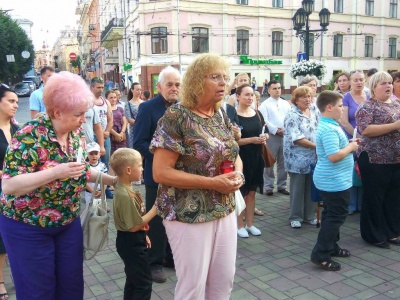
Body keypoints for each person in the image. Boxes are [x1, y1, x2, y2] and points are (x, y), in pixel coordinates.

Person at [0, 72, 119, 299]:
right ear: (56, 112)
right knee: (39, 291)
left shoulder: (75, 134)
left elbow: (81, 170)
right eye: (78, 114)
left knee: (71, 286)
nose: (83, 120)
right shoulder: (28, 136)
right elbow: (9, 186)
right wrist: (55, 172)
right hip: (28, 225)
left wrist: (114, 181)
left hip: (67, 222)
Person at [151, 53, 243, 299]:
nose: (223, 82)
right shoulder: (176, 116)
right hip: (186, 212)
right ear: (196, 82)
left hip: (223, 208)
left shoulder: (221, 113)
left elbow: (233, 153)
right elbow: (160, 172)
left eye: (225, 77)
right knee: (193, 287)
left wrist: (238, 175)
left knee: (224, 282)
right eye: (215, 77)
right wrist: (213, 183)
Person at [132, 66, 180, 283]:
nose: (174, 88)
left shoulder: (184, 108)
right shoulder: (147, 108)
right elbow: (139, 142)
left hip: (181, 175)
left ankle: (171, 257)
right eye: (169, 84)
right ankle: (154, 263)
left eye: (177, 84)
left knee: (177, 216)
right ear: (159, 86)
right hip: (157, 174)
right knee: (158, 219)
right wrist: (161, 156)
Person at [310, 91, 358, 271]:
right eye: (339, 106)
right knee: (335, 217)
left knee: (332, 214)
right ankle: (320, 254)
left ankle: (331, 246)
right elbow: (333, 156)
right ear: (329, 107)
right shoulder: (329, 128)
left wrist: (349, 145)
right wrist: (351, 147)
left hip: (335, 180)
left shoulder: (331, 125)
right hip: (333, 181)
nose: (342, 109)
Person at [355, 71, 400, 249]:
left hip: (395, 159)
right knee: (374, 198)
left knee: (393, 197)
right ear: (373, 87)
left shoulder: (396, 103)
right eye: (383, 83)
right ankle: (373, 235)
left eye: (389, 83)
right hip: (374, 159)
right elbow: (365, 130)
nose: (388, 86)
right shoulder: (367, 106)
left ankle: (392, 231)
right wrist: (395, 126)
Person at [111, 148, 157, 300]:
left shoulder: (124, 188)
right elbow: (134, 226)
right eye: (140, 165)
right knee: (144, 283)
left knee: (133, 280)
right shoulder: (126, 195)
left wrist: (144, 235)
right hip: (131, 242)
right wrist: (156, 208)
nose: (143, 168)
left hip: (130, 240)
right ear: (129, 170)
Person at [283, 86, 319, 228]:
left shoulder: (314, 110)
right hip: (296, 158)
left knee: (311, 187)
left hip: (313, 157)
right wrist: (318, 147)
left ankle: (310, 216)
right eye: (303, 97)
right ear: (296, 100)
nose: (307, 99)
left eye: (309, 96)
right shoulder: (292, 114)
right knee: (298, 188)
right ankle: (295, 216)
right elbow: (297, 139)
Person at [236, 84, 268, 238]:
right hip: (240, 159)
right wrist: (251, 140)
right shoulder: (233, 115)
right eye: (246, 95)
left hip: (256, 158)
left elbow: (265, 131)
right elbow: (231, 141)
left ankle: (250, 224)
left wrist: (264, 137)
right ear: (238, 96)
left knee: (252, 193)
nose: (249, 98)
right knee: (241, 193)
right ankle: (239, 225)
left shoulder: (257, 113)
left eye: (252, 95)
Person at [340, 70, 369, 215]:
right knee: (351, 171)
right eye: (356, 80)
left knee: (364, 171)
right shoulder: (346, 97)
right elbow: (344, 121)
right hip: (351, 139)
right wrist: (357, 136)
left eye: (361, 80)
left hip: (369, 140)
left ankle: (362, 204)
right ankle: (351, 205)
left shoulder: (369, 95)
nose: (359, 82)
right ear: (350, 82)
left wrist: (367, 137)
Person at [0, 84, 19, 300]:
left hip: (17, 191)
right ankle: (1, 281)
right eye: (11, 101)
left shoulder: (16, 129)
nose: (15, 105)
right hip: (2, 188)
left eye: (16, 101)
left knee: (12, 235)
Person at [258, 80, 291, 196]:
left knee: (283, 162)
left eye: (279, 88)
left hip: (285, 135)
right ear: (269, 90)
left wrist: (285, 130)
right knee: (269, 161)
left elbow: (289, 118)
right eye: (275, 88)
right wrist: (276, 130)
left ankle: (282, 185)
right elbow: (264, 120)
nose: (277, 90)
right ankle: (268, 186)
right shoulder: (265, 104)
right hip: (271, 136)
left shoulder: (285, 103)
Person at [90, 77, 113, 168]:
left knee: (105, 162)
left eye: (102, 87)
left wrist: (107, 131)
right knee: (93, 162)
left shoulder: (106, 102)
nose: (101, 90)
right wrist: (100, 132)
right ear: (92, 87)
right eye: (98, 87)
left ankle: (105, 181)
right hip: (93, 136)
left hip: (105, 137)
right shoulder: (88, 102)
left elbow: (110, 120)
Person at [84, 142, 108, 207]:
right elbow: (84, 181)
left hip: (101, 193)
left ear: (99, 154)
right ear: (87, 155)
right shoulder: (85, 167)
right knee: (90, 211)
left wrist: (102, 191)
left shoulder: (102, 166)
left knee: (102, 210)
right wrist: (93, 191)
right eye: (91, 154)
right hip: (89, 193)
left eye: (96, 153)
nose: (94, 156)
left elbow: (105, 180)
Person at [107, 90, 127, 154]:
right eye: (111, 98)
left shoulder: (120, 108)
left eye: (115, 97)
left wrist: (122, 132)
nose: (113, 99)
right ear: (106, 99)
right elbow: (106, 124)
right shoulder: (105, 109)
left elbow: (125, 122)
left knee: (122, 155)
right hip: (111, 135)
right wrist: (116, 134)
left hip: (121, 135)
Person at [125, 82, 143, 149]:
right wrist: (140, 123)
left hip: (144, 130)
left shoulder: (143, 103)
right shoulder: (128, 104)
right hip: (134, 130)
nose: (139, 91)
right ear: (132, 90)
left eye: (140, 90)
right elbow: (129, 119)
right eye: (137, 89)